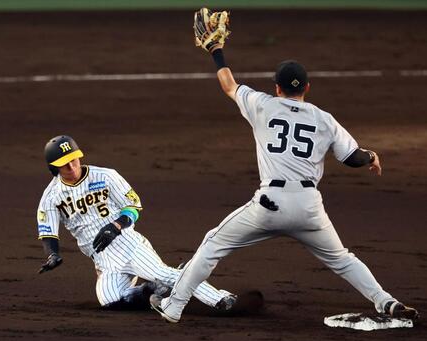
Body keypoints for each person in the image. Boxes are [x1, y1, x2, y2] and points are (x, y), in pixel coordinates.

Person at [150, 37, 419, 322]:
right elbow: (353, 158)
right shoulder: (324, 118)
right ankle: (386, 301)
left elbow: (228, 85)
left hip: (269, 206)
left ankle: (174, 306)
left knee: (212, 245)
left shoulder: (262, 104)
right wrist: (371, 155)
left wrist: (216, 51)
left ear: (276, 88)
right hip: (309, 208)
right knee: (342, 259)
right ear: (307, 88)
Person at [36, 135, 236, 310]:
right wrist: (53, 254)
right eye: (65, 163)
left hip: (128, 244)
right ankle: (153, 290)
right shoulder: (51, 196)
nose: (72, 166)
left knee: (161, 273)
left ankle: (219, 297)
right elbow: (48, 231)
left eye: (74, 159)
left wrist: (116, 225)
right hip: (103, 261)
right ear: (53, 167)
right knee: (111, 301)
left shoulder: (105, 176)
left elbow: (133, 205)